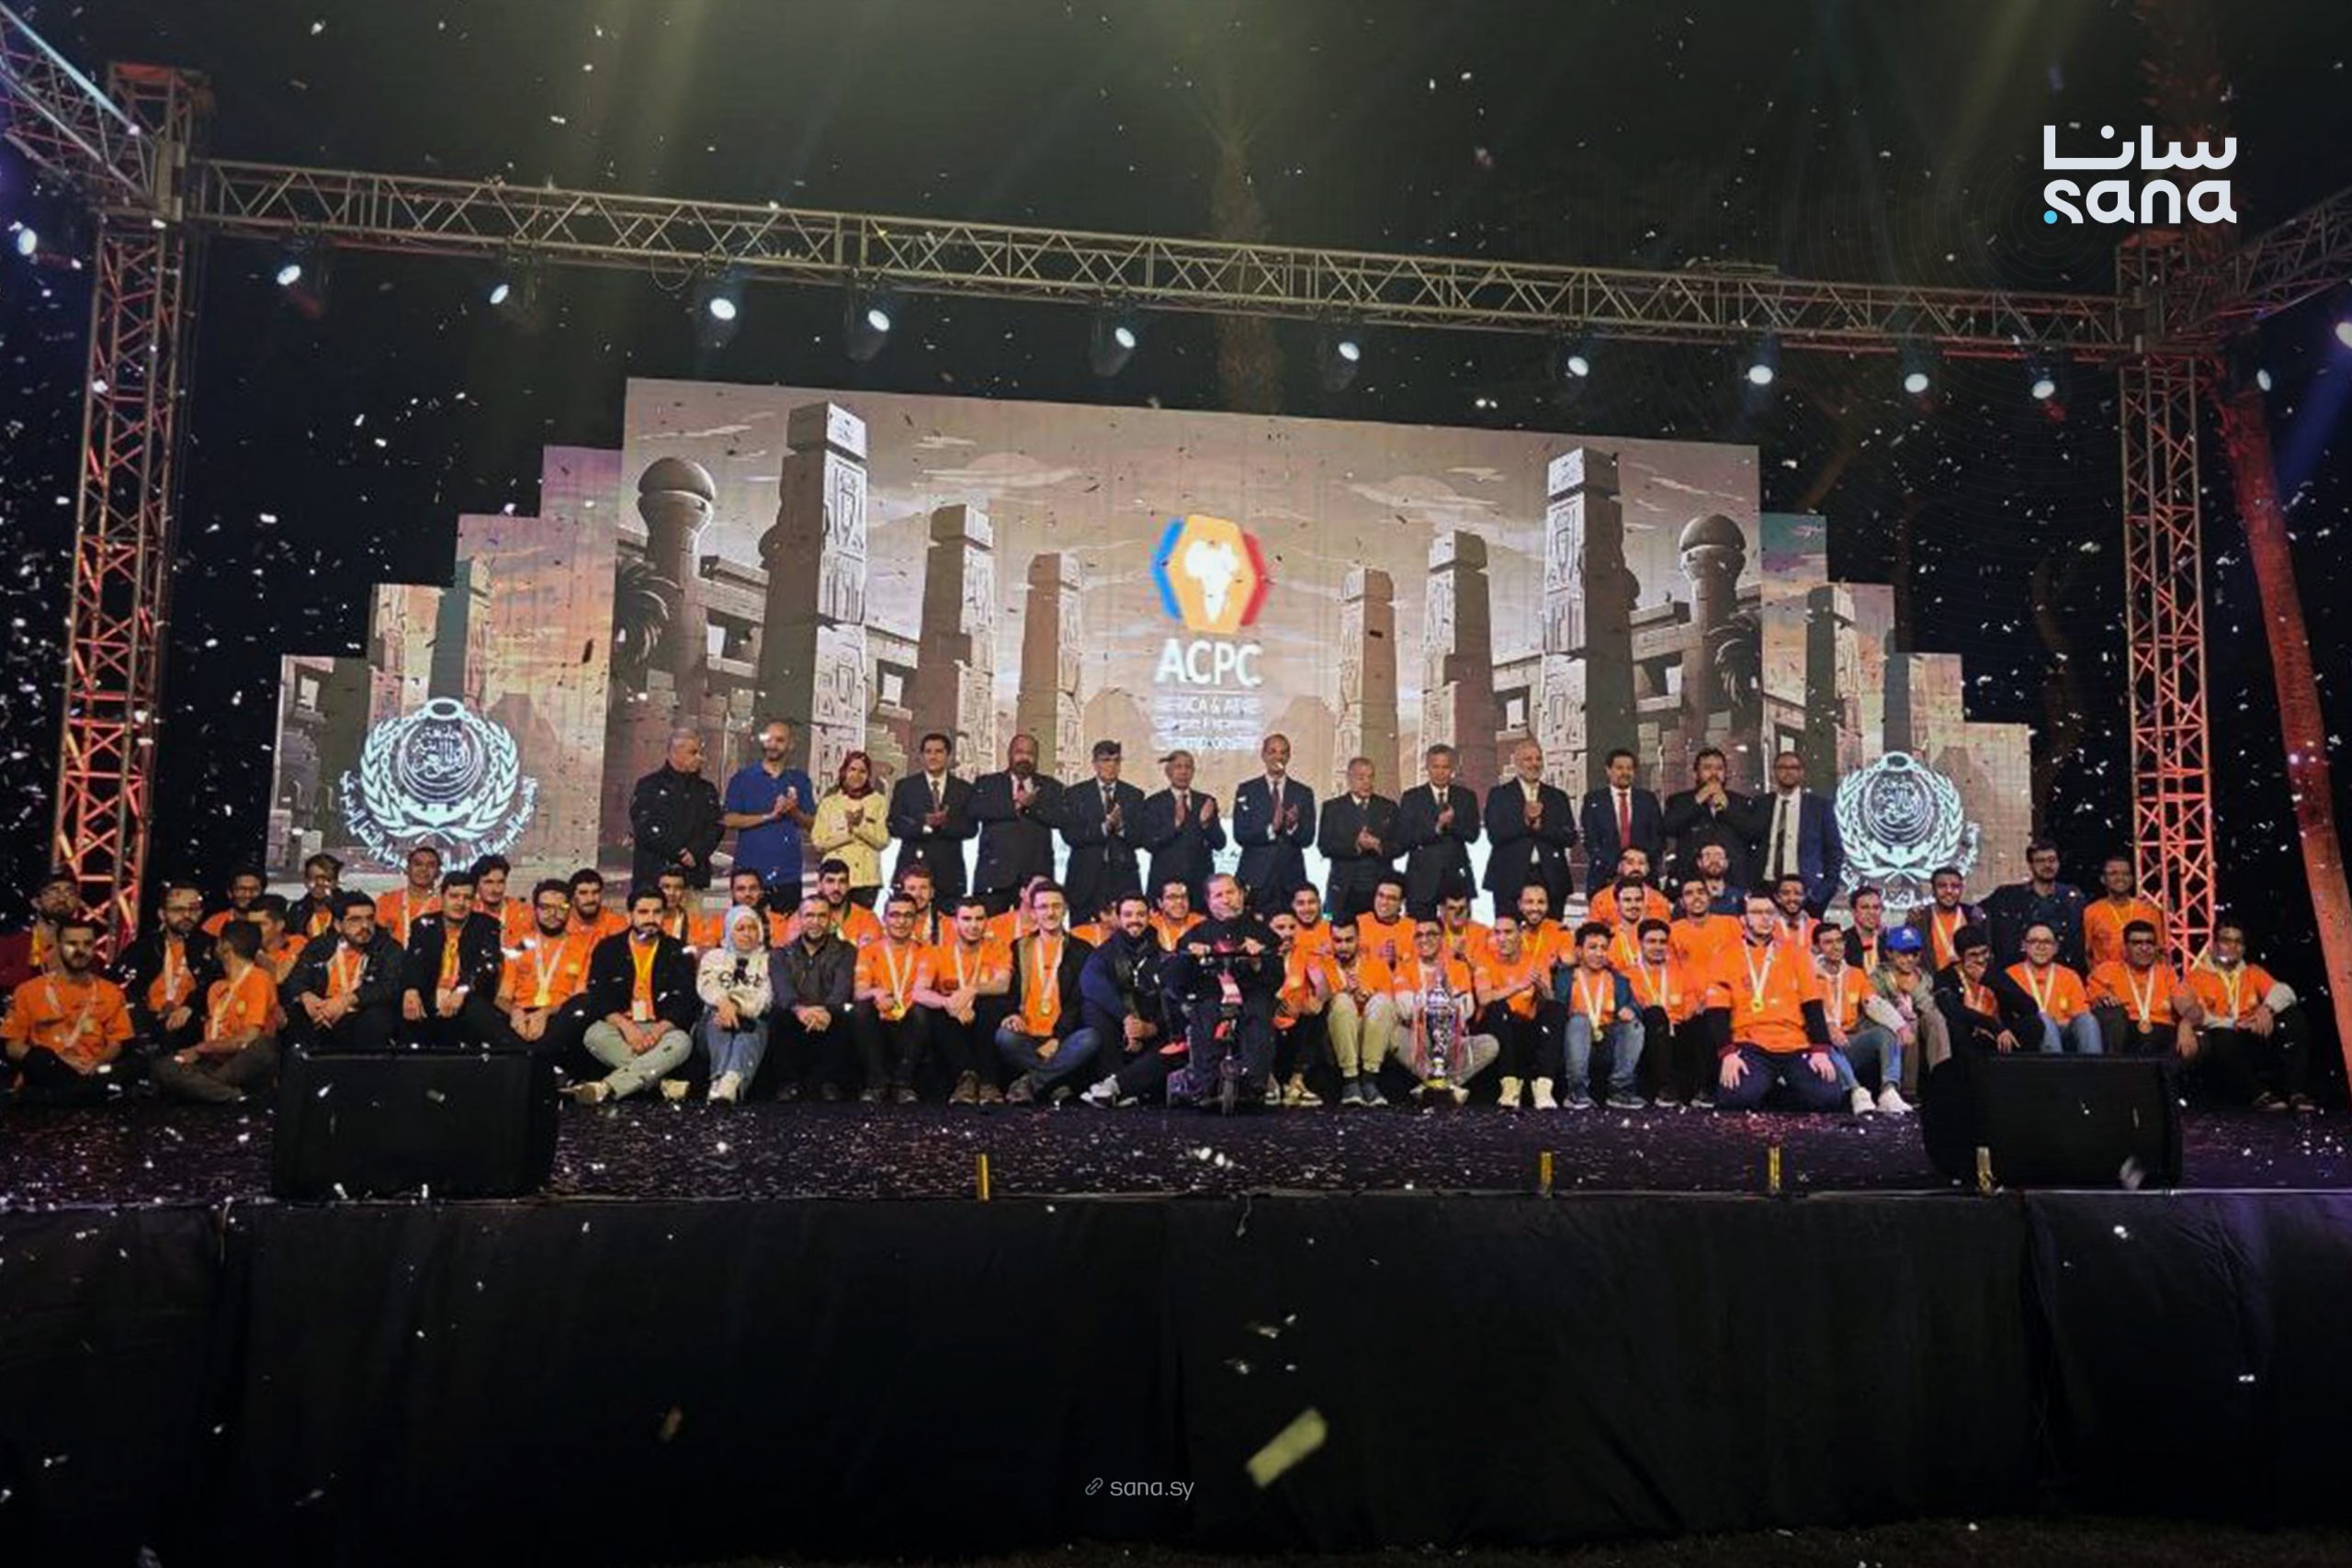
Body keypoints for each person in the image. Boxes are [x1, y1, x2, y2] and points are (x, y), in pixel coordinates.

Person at [1702, 891, 1840, 1112]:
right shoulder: (1725, 956)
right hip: (1750, 1043)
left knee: (1829, 1097)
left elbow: (1813, 1004)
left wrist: (1820, 1050)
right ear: (1743, 919)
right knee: (1737, 1099)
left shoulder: (1796, 953)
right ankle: (1769, 1087)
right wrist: (1728, 1054)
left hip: (1794, 1043)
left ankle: (1771, 1089)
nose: (1765, 918)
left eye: (1770, 912)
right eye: (1757, 912)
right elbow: (1717, 1011)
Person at [1160, 874, 1279, 1111]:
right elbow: (1173, 980)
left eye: (1230, 893)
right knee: (1205, 1012)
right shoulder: (1194, 935)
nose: (1226, 900)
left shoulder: (1263, 934)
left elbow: (1276, 979)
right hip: (1210, 995)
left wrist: (1258, 962)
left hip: (1251, 993)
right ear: (1209, 901)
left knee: (1257, 1010)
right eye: (1218, 895)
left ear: (1241, 895)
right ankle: (1206, 1084)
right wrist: (1190, 959)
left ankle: (1255, 1082)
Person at [573, 889, 697, 1104]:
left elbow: (685, 1001)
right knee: (594, 1035)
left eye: (657, 912)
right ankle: (662, 1084)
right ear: (629, 916)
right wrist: (626, 1027)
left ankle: (608, 1087)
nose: (651, 918)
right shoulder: (608, 948)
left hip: (661, 1028)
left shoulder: (678, 951)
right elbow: (598, 997)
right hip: (620, 1026)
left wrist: (657, 1032)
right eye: (643, 912)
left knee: (682, 1042)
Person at [3, 917, 134, 1103]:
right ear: (58, 946)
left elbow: (117, 1042)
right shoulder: (27, 991)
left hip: (91, 1068)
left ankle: (60, 1095)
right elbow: (12, 1046)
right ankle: (83, 1093)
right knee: (40, 1059)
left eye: (87, 944)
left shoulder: (111, 991)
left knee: (138, 1063)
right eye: (72, 944)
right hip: (49, 1066)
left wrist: (98, 1062)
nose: (80, 950)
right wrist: (58, 1060)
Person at [152, 920, 281, 1104]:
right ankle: (231, 1095)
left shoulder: (259, 979)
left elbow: (247, 1039)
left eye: (217, 942)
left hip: (244, 1060)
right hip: (213, 1062)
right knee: (165, 1066)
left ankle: (205, 1090)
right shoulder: (216, 988)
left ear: (225, 946)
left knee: (263, 1046)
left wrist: (200, 1049)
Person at [2188, 923, 2312, 1111]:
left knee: (2294, 1017)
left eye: (2238, 942)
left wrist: (2267, 1009)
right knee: (2221, 1038)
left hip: (2253, 1034)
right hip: (2224, 1038)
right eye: (2226, 941)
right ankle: (2259, 1095)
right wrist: (2235, 1023)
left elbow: (2286, 992)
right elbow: (2197, 1015)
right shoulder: (2197, 976)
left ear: (2244, 948)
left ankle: (2297, 1093)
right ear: (2214, 945)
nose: (2233, 946)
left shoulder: (2252, 971)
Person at [997, 881, 1099, 1104]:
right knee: (1004, 1037)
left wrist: (1058, 1038)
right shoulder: (1019, 946)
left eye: (1056, 906)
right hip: (1025, 1035)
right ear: (1033, 912)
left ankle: (1031, 1082)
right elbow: (1009, 989)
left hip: (1064, 1037)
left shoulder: (1083, 950)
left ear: (1065, 909)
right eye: (1043, 907)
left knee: (1090, 1038)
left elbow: (1077, 1001)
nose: (1050, 913)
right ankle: (1055, 1083)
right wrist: (1011, 1013)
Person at [1077, 895, 1179, 1108]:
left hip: (1153, 1034)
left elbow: (1173, 1002)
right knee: (1092, 1007)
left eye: (1141, 914)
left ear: (1150, 917)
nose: (1135, 920)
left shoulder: (1165, 957)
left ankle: (1118, 1087)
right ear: (1118, 918)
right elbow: (1091, 984)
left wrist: (1151, 1028)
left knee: (1180, 1035)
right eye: (1128, 915)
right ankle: (1113, 1081)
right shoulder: (1104, 953)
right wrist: (1126, 1019)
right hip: (1118, 1034)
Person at [1386, 916, 1500, 1104]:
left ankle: (1442, 1084)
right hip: (1419, 1041)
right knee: (1394, 1035)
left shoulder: (1458, 967)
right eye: (1419, 935)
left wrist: (1434, 997)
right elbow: (1405, 1009)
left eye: (1431, 934)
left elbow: (1467, 1009)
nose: (1425, 940)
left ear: (1442, 938)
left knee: (1490, 1044)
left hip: (1451, 1041)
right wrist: (1438, 994)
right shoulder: (1404, 968)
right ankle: (1438, 1083)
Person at [279, 892, 403, 1053]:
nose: (365, 926)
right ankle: (304, 1067)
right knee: (293, 1014)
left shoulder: (389, 948)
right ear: (338, 925)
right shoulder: (319, 945)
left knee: (377, 1018)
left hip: (362, 1009)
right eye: (355, 920)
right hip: (323, 1009)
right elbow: (296, 978)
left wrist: (348, 1000)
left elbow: (389, 986)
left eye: (369, 918)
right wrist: (307, 997)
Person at [917, 897, 1012, 1106]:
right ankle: (967, 1077)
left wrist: (971, 990)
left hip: (984, 1015)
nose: (973, 925)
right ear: (955, 923)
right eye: (967, 919)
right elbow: (919, 992)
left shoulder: (998, 948)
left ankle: (988, 1082)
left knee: (991, 1004)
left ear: (987, 922)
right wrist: (949, 1003)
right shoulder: (937, 952)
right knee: (935, 1010)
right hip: (951, 1017)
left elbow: (1003, 984)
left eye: (979, 919)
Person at [400, 870, 505, 1049]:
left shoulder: (487, 926)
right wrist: (411, 989)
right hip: (430, 998)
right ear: (442, 897)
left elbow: (485, 967)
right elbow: (412, 962)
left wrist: (461, 991)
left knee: (474, 1010)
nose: (460, 903)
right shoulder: (424, 925)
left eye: (467, 898)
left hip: (467, 999)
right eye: (454, 896)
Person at [768, 896, 857, 1101]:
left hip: (829, 1017)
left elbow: (842, 989)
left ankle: (828, 1083)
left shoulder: (846, 951)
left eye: (821, 916)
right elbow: (783, 991)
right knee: (779, 1013)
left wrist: (826, 1011)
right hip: (796, 1017)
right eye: (809, 915)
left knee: (847, 1013)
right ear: (799, 919)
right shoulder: (780, 954)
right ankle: (789, 1084)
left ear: (830, 919)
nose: (815, 922)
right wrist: (800, 1010)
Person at [1813, 921, 1908, 1114]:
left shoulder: (1856, 974)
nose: (1836, 947)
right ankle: (1857, 1092)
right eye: (1828, 942)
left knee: (1886, 1033)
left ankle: (1889, 1092)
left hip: (1850, 1040)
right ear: (1816, 948)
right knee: (1825, 1040)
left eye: (1839, 941)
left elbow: (1873, 1003)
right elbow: (1809, 1011)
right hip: (1822, 1045)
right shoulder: (1808, 975)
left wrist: (1900, 1025)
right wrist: (1828, 1027)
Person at [493, 880, 594, 1061]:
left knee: (582, 1007)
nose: (553, 914)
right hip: (520, 1015)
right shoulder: (519, 944)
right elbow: (502, 997)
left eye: (561, 908)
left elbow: (579, 999)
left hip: (561, 1015)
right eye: (545, 907)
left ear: (570, 909)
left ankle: (529, 1058)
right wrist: (515, 1012)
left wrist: (545, 1013)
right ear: (535, 909)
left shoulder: (584, 945)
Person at [114, 881, 214, 1059]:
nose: (187, 915)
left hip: (192, 1026)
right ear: (162, 914)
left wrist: (192, 1006)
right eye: (178, 910)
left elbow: (219, 983)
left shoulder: (212, 947)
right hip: (146, 1025)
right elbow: (115, 983)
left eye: (193, 909)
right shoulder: (143, 947)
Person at [722, 718, 819, 905]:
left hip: (788, 875)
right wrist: (769, 816)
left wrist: (794, 812)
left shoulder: (800, 780)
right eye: (769, 739)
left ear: (791, 745)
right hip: (748, 877)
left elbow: (813, 824)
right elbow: (729, 819)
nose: (772, 745)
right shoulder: (743, 778)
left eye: (780, 740)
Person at [1553, 921, 1645, 1110]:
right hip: (1573, 1042)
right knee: (1579, 1021)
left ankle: (1620, 1090)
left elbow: (1636, 1007)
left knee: (1634, 1025)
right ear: (1579, 951)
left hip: (1608, 1042)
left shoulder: (1618, 980)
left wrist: (1631, 1010)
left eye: (1604, 948)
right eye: (1592, 947)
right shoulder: (1563, 978)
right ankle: (1576, 1091)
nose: (1599, 953)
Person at [970, 733, 1065, 917]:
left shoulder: (1050, 786)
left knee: (1034, 932)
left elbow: (1060, 819)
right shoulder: (988, 783)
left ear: (1037, 758)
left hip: (1036, 878)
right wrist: (1015, 807)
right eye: (1019, 752)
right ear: (1010, 754)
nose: (1024, 758)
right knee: (991, 931)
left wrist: (1032, 806)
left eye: (1030, 753)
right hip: (994, 877)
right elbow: (976, 810)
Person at [853, 893, 934, 1103]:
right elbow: (859, 991)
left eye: (908, 915)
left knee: (922, 1011)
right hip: (878, 1022)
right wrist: (875, 992)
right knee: (861, 1009)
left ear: (916, 919)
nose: (901, 921)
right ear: (884, 919)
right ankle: (876, 1084)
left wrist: (899, 1006)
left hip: (909, 1022)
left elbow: (921, 990)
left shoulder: (926, 951)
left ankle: (902, 1084)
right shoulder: (868, 951)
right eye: (895, 915)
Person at [1483, 738, 1577, 921]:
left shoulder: (1557, 797)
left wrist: (1541, 828)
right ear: (1516, 763)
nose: (1534, 764)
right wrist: (1525, 823)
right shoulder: (1499, 795)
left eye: (1538, 759)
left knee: (1551, 933)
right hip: (1509, 878)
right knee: (1509, 933)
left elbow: (1569, 837)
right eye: (1528, 759)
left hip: (1551, 877)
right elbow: (1495, 835)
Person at [1059, 739, 1148, 927]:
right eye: (1106, 760)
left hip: (1123, 879)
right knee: (1082, 934)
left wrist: (1121, 827)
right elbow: (1070, 835)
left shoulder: (1134, 795)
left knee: (1124, 933)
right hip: (1085, 879)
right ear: (1095, 763)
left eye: (1116, 761)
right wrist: (1103, 828)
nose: (1111, 766)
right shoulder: (1075, 794)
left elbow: (1141, 837)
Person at [1476, 910, 1558, 1110]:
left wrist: (1540, 985)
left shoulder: (1536, 960)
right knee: (1498, 1007)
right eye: (1497, 933)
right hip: (1495, 1027)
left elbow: (1549, 998)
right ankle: (1509, 1085)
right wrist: (1519, 986)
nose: (1501, 938)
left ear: (1520, 933)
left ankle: (1544, 1086)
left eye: (1508, 932)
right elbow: (1484, 998)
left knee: (1555, 1009)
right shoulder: (1484, 960)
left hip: (1526, 1026)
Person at [1388, 743, 1481, 919]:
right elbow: (1404, 838)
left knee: (1459, 932)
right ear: (1427, 768)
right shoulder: (1412, 797)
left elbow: (1473, 835)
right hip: (1421, 881)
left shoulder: (1466, 797)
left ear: (1452, 769)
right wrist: (1436, 828)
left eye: (1445, 767)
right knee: (1421, 931)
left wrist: (1451, 824)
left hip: (1456, 879)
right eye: (1435, 767)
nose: (1440, 772)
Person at [630, 728, 725, 896]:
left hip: (693, 876)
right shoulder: (649, 786)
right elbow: (645, 826)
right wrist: (679, 852)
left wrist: (696, 852)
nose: (700, 758)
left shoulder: (706, 790)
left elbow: (716, 826)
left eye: (700, 752)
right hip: (654, 878)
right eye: (693, 752)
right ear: (675, 753)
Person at [886, 730, 977, 905]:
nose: (933, 757)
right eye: (928, 752)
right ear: (921, 756)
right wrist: (924, 825)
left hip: (949, 873)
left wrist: (945, 824)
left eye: (939, 751)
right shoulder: (905, 787)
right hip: (912, 870)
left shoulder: (963, 789)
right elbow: (894, 825)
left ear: (949, 756)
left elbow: (970, 828)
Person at [2087, 919, 2200, 1057]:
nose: (2144, 948)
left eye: (2149, 943)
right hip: (2126, 1032)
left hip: (2162, 1033)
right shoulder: (2106, 971)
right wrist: (2103, 1000)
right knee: (2113, 1017)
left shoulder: (2166, 973)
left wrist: (2187, 1024)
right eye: (2137, 943)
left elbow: (2191, 1008)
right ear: (2125, 947)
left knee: (2200, 1041)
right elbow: (2096, 1004)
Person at [696, 905, 774, 1105]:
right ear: (730, 930)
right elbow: (707, 987)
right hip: (713, 1024)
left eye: (752, 928)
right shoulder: (714, 957)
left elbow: (764, 999)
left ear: (760, 930)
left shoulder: (769, 961)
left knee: (751, 1026)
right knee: (717, 1017)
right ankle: (721, 1078)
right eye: (740, 929)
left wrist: (736, 1008)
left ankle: (730, 1081)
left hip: (753, 1022)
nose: (747, 934)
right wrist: (724, 1003)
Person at [1231, 732, 1316, 914]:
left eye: (1283, 752)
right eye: (1272, 752)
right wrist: (1271, 829)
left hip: (1291, 879)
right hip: (1255, 877)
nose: (1278, 757)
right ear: (1263, 755)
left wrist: (1292, 827)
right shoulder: (1247, 790)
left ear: (1289, 756)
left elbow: (1308, 839)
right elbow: (1240, 835)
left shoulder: (1303, 793)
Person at [1626, 918, 1706, 1108]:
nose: (1658, 947)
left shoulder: (1682, 972)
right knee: (1655, 1014)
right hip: (1647, 1038)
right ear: (1640, 943)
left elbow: (1692, 1006)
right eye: (1651, 941)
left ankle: (1705, 1089)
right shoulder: (1627, 975)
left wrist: (1677, 1020)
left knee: (1701, 1023)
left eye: (1662, 942)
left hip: (1677, 1034)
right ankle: (1666, 1087)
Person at [1756, 750, 1845, 916]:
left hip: (1807, 892)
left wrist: (1823, 893)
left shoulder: (1819, 807)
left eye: (1794, 767)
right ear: (1774, 772)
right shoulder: (1761, 804)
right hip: (1766, 890)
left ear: (1802, 772)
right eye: (1782, 767)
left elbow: (1834, 851)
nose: (1788, 771)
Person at [1138, 749, 1227, 911]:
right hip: (1165, 882)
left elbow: (1220, 843)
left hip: (1199, 882)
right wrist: (1175, 824)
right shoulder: (1153, 803)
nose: (1183, 772)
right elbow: (1148, 843)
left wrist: (1206, 824)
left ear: (1193, 771)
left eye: (1188, 767)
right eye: (1178, 767)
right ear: (1168, 772)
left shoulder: (1206, 801)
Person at [1663, 747, 1763, 887]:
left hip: (1733, 881)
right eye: (1707, 768)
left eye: (1719, 768)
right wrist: (1698, 800)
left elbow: (1753, 833)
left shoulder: (1740, 802)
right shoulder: (1679, 801)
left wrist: (1727, 809)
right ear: (1695, 774)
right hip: (1691, 880)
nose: (1714, 773)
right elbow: (1669, 827)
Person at [1317, 755, 1398, 925]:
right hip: (1343, 888)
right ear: (1349, 778)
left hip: (1379, 888)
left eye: (1370, 777)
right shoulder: (1332, 808)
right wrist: (1356, 845)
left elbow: (1399, 845)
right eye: (1361, 778)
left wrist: (1378, 845)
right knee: (1334, 928)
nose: (1367, 782)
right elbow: (1325, 846)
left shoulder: (1388, 807)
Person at [1935, 928, 2043, 1055]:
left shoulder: (1994, 973)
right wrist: (1992, 1025)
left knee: (2033, 1024)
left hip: (2001, 1036)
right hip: (1972, 1035)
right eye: (1973, 955)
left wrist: (1989, 979)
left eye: (1984, 952)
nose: (1981, 959)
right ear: (1960, 956)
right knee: (1956, 1028)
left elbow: (2030, 1007)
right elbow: (1952, 1009)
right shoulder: (1945, 976)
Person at [1267, 908, 1335, 1107]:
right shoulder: (1260, 955)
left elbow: (1323, 989)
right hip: (1268, 1020)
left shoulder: (1304, 952)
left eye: (1292, 927)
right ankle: (1267, 1079)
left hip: (1295, 1021)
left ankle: (1296, 1081)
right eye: (1280, 928)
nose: (1287, 933)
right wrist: (1281, 1003)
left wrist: (1317, 999)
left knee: (1318, 1008)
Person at [1982, 840, 2086, 969]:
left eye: (2052, 860)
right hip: (2018, 972)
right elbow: (1977, 913)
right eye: (2040, 861)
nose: (2047, 865)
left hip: (2062, 973)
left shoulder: (2073, 899)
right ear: (2030, 865)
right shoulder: (2008, 897)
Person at [1870, 926, 1949, 1097]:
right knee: (1909, 1024)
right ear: (1889, 953)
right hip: (1889, 1027)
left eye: (1914, 954)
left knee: (1936, 1018)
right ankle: (1908, 1091)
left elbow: (1928, 1005)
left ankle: (1943, 1081)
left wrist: (1913, 988)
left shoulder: (1924, 977)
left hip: (1920, 1024)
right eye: (1903, 954)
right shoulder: (1878, 976)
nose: (1910, 959)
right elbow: (1876, 1007)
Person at [1327, 919, 1397, 1107]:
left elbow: (1389, 1007)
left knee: (1381, 1001)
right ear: (1330, 941)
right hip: (1335, 1033)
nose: (1343, 946)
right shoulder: (1323, 966)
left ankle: (1369, 1080)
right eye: (1338, 940)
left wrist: (1367, 997)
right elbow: (1317, 1003)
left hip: (1371, 1031)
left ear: (1358, 939)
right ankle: (1350, 1081)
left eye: (1349, 940)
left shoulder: (1377, 966)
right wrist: (1344, 991)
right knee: (1342, 1001)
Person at [1578, 748, 1666, 897]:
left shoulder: (1648, 799)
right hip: (1604, 877)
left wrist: (1638, 865)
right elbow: (1591, 840)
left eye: (1629, 768)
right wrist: (1618, 865)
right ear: (1608, 770)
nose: (1625, 772)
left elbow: (1658, 838)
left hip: (1643, 878)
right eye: (1619, 768)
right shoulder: (1593, 800)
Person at [810, 750, 891, 907]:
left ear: (868, 775)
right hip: (835, 879)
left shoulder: (878, 802)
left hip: (867, 880)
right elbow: (818, 842)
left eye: (862, 771)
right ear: (844, 772)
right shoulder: (830, 803)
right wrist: (848, 833)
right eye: (852, 769)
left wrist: (859, 828)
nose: (857, 775)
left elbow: (883, 841)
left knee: (862, 921)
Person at [2007, 922, 2099, 1054]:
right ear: (2024, 945)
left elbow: (2080, 1013)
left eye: (2047, 942)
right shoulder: (2010, 975)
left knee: (2087, 1020)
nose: (2041, 947)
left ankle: (2094, 1065)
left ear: (2056, 948)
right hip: (2028, 1033)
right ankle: (2055, 1066)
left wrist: (2057, 1022)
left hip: (2064, 1029)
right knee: (2044, 1019)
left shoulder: (2070, 976)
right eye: (2034, 941)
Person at [2083, 854, 2165, 972]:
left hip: (2143, 978)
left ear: (2132, 879)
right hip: (2107, 979)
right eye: (2113, 874)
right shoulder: (2091, 912)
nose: (2120, 878)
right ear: (2103, 879)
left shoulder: (2148, 910)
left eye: (2126, 874)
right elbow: (2087, 953)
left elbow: (2159, 951)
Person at [0, 870, 79, 992]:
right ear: (36, 902)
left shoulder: (83, 944)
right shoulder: (12, 940)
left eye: (70, 893)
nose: (63, 898)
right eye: (54, 892)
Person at [1905, 867, 1987, 971]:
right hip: (1931, 979)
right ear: (1933, 890)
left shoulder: (1974, 916)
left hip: (1967, 979)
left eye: (1955, 886)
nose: (1949, 891)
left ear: (1961, 889)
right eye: (1942, 886)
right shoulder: (1920, 918)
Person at [1669, 874, 1742, 977]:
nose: (1696, 897)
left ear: (1709, 898)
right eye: (1689, 894)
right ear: (1682, 903)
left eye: (1701, 892)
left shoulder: (1731, 924)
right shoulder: (1672, 931)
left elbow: (1742, 962)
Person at [806, 859, 884, 949]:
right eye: (830, 881)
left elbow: (872, 953)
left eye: (842, 881)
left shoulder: (867, 919)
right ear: (819, 885)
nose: (836, 888)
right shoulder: (803, 917)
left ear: (848, 886)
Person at [374, 844, 444, 945]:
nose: (424, 869)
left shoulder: (446, 904)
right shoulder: (386, 902)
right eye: (418, 864)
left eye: (431, 865)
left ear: (438, 873)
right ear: (407, 869)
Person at [1588, 848, 1672, 927]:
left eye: (1641, 863)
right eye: (1630, 863)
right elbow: (1593, 933)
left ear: (1648, 868)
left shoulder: (1659, 899)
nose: (1636, 868)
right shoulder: (1601, 899)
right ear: (1619, 867)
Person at [653, 867, 721, 955]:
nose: (672, 893)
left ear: (684, 891)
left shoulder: (696, 922)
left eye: (678, 888)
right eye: (666, 887)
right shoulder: (644, 920)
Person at [1353, 875, 1415, 973]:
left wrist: (1395, 962)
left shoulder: (1413, 929)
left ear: (1401, 902)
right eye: (1380, 895)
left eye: (1392, 898)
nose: (1384, 902)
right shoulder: (1356, 923)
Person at [470, 856, 534, 948]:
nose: (495, 889)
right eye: (488, 882)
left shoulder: (524, 912)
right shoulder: (468, 912)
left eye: (500, 882)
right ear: (476, 885)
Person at [726, 869, 795, 946]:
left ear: (760, 892)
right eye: (741, 889)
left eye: (753, 888)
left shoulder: (779, 923)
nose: (747, 894)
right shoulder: (719, 924)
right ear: (732, 893)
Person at [286, 853, 345, 942]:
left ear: (336, 882)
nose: (319, 884)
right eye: (313, 878)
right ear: (305, 881)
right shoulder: (296, 911)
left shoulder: (348, 909)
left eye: (327, 879)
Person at [249, 895, 306, 981]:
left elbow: (281, 978)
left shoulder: (298, 944)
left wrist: (260, 958)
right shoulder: (243, 949)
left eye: (261, 924)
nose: (254, 930)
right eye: (251, 925)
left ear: (280, 925)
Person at [199, 867, 266, 937]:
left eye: (254, 889)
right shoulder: (214, 923)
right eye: (241, 889)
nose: (248, 895)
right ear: (229, 893)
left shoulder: (270, 923)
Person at [568, 869, 628, 941]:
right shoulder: (562, 923)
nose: (590, 899)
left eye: (595, 892)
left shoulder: (616, 923)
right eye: (583, 893)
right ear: (572, 898)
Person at [896, 863, 946, 948]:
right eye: (912, 888)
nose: (918, 894)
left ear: (932, 892)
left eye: (923, 888)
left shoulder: (947, 925)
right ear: (903, 893)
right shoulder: (890, 925)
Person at [1688, 843, 1745, 916]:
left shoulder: (1741, 897)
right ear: (1699, 863)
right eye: (1708, 857)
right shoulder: (1689, 897)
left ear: (1726, 863)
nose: (1714, 860)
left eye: (1719, 856)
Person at [1843, 886, 1890, 972]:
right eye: (1865, 907)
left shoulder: (1890, 941)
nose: (1871, 912)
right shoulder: (1842, 942)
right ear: (1854, 912)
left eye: (1876, 907)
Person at [1769, 874, 1820, 953]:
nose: (1792, 898)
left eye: (1798, 893)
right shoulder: (1768, 926)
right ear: (1777, 897)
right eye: (1786, 893)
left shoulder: (1815, 926)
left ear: (1805, 897)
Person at [1149, 879, 1204, 953]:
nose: (1179, 901)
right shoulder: (1151, 924)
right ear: (1160, 903)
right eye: (1172, 897)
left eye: (1183, 897)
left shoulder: (1201, 923)